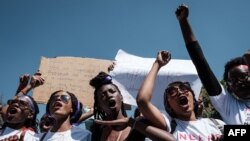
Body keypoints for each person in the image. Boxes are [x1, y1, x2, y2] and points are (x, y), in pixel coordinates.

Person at [176, 3, 250, 125]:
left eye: (243, 76)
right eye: (234, 80)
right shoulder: (229, 106)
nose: (240, 82)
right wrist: (183, 21)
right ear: (230, 88)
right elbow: (201, 65)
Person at [136, 50, 225, 140]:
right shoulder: (170, 125)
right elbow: (142, 100)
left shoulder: (217, 124)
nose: (179, 92)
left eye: (184, 88)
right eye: (172, 92)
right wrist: (157, 64)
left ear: (194, 99)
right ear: (169, 106)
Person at [89, 71, 176, 141]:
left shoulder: (139, 124)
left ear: (121, 97)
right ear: (99, 105)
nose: (108, 95)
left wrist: (132, 123)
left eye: (112, 91)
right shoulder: (97, 130)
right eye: (102, 95)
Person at [0, 72, 44, 140]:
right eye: (13, 102)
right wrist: (28, 86)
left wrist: (30, 86)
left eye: (22, 103)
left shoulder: (35, 138)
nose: (15, 104)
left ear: (30, 114)